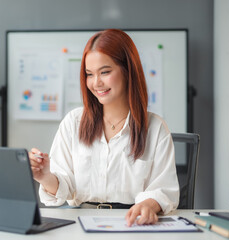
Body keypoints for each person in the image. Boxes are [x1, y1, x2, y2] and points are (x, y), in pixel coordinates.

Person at [29, 29, 179, 227]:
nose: (96, 83)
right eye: (89, 74)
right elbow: (64, 187)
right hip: (79, 223)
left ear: (128, 71)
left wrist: (149, 205)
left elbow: (165, 189)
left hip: (132, 224)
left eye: (105, 72)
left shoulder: (155, 128)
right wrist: (45, 177)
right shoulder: (73, 122)